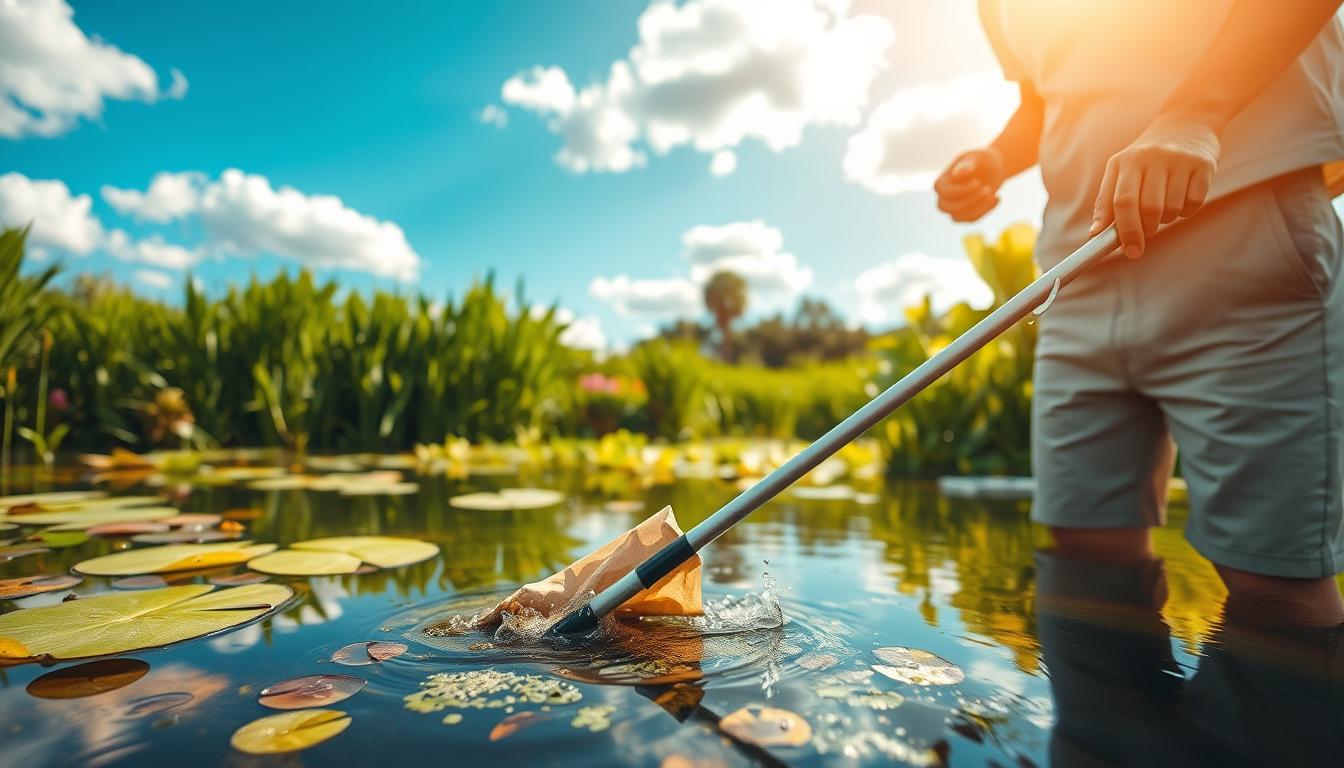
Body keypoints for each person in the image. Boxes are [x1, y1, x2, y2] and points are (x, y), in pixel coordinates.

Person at [935, 0, 1344, 627]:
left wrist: (1192, 115)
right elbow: (1048, 97)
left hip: (1241, 228)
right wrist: (996, 157)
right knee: (1084, 548)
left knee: (1272, 574)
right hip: (1074, 274)